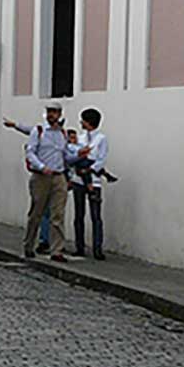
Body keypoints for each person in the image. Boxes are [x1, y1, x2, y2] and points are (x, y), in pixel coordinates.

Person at [19, 103, 73, 262]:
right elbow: (30, 152)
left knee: (58, 214)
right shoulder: (39, 131)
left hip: (59, 176)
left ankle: (56, 250)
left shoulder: (62, 133)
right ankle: (28, 244)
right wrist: (42, 167)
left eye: (54, 112)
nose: (52, 115)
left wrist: (79, 156)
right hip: (41, 176)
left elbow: (66, 155)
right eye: (49, 112)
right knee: (37, 213)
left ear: (60, 114)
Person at [71, 108, 110, 260]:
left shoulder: (101, 139)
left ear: (89, 122)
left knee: (96, 216)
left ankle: (97, 248)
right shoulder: (80, 138)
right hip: (78, 179)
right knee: (78, 214)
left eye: (83, 120)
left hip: (93, 179)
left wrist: (90, 169)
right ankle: (79, 246)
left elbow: (102, 158)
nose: (81, 123)